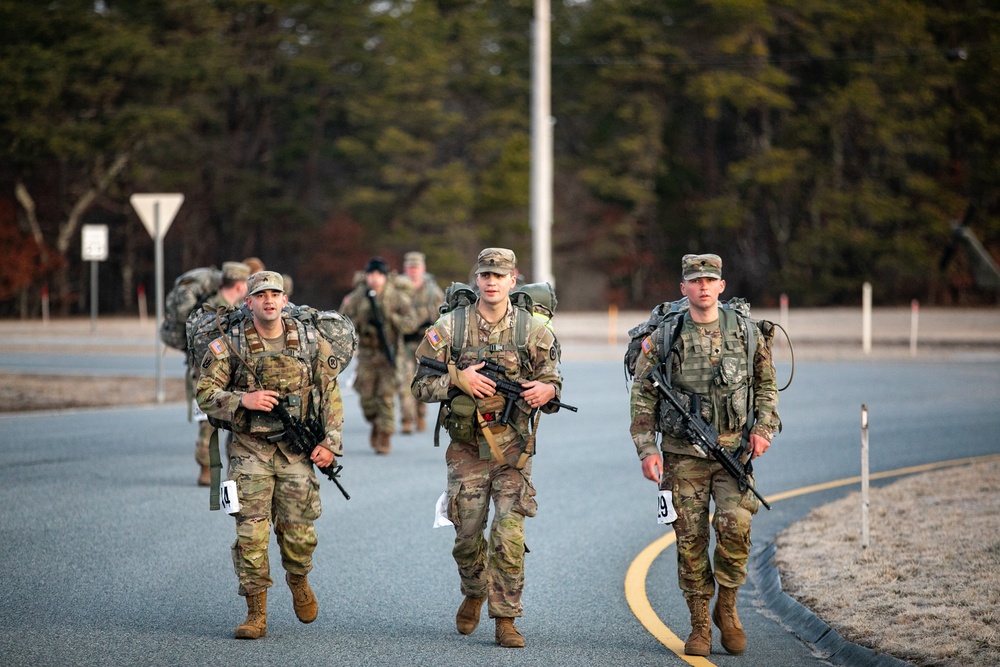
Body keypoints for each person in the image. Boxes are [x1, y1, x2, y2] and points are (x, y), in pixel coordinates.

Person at [628, 253, 781, 657]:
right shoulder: (666, 335)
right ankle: (699, 626)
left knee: (736, 529)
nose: (702, 286)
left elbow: (767, 388)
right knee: (689, 540)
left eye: (710, 280)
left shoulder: (747, 333)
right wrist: (646, 449)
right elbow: (642, 394)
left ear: (721, 286)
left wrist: (762, 431)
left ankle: (726, 609)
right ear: (684, 288)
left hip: (733, 454)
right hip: (681, 457)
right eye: (695, 281)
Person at [411, 247, 563, 649]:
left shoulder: (533, 330)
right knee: (467, 537)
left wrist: (547, 389)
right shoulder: (450, 328)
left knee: (509, 536)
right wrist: (458, 381)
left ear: (514, 280)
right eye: (485, 275)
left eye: (500, 275)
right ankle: (475, 589)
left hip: (514, 451)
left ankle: (506, 618)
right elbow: (419, 385)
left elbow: (552, 384)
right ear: (476, 279)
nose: (492, 282)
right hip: (466, 452)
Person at [196, 271, 346, 640]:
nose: (268, 300)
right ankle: (255, 612)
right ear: (248, 303)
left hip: (296, 454)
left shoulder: (309, 341)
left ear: (284, 300)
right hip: (250, 452)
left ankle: (299, 579)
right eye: (260, 294)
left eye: (275, 294)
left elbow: (330, 395)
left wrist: (330, 443)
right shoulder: (229, 344)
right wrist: (242, 400)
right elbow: (203, 394)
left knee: (299, 536)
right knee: (250, 535)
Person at [339, 257, 418, 455]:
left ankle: (384, 436)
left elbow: (411, 322)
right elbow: (342, 322)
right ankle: (376, 423)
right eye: (371, 275)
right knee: (367, 399)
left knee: (386, 397)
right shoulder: (358, 297)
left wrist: (391, 319)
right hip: (367, 355)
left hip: (389, 355)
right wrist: (361, 322)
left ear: (384, 277)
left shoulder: (396, 297)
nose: (374, 279)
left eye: (378, 275)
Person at [189, 261, 251, 486]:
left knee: (228, 422)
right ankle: (206, 468)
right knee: (209, 424)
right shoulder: (214, 308)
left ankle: (227, 470)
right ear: (239, 285)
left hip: (227, 373)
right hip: (212, 375)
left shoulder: (233, 307)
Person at [397, 251, 445, 434]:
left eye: (416, 267)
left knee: (423, 379)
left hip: (424, 344)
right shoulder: (399, 290)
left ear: (423, 268)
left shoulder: (432, 291)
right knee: (404, 381)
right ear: (405, 268)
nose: (413, 271)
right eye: (410, 267)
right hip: (404, 343)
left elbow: (443, 315)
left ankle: (420, 415)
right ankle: (407, 419)